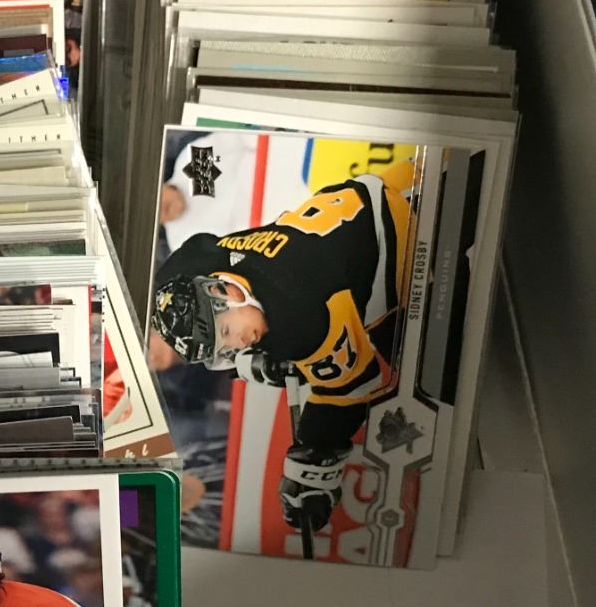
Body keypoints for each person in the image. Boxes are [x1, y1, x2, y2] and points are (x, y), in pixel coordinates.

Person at [149, 160, 416, 537]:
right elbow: (183, 263)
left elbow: (350, 390)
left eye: (226, 331)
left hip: (411, 246)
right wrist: (253, 359)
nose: (238, 343)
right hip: (366, 195)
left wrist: (310, 469)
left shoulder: (301, 315)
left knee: (435, 380)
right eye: (224, 346)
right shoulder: (198, 263)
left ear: (227, 292)